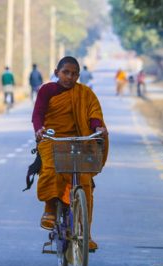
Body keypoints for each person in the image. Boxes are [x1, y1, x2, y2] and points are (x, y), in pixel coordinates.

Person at [31, 56, 109, 251]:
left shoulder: (85, 93)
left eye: (74, 74)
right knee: (52, 168)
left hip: (79, 140)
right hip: (53, 139)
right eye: (66, 72)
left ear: (78, 76)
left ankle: (85, 233)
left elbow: (93, 115)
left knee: (85, 182)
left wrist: (97, 128)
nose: (69, 77)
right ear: (57, 72)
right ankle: (50, 209)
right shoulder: (47, 90)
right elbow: (38, 113)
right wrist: (40, 129)